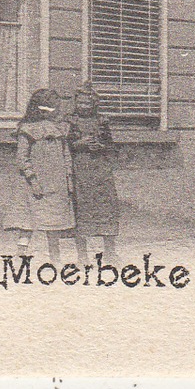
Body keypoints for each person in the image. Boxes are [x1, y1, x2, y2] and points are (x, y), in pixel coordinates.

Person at [4, 88, 74, 262]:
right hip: (34, 182)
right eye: (54, 107)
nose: (58, 111)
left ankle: (55, 259)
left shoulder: (59, 129)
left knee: (54, 222)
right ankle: (21, 254)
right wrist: (32, 179)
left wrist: (69, 178)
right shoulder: (27, 129)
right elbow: (22, 157)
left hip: (56, 182)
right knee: (27, 220)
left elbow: (66, 155)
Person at [67, 85, 119, 265]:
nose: (83, 106)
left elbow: (111, 146)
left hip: (100, 171)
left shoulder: (102, 121)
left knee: (107, 209)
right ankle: (82, 255)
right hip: (80, 170)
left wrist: (101, 146)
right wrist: (78, 144)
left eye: (87, 103)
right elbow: (63, 148)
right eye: (80, 102)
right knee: (81, 211)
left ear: (94, 104)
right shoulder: (70, 122)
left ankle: (110, 252)